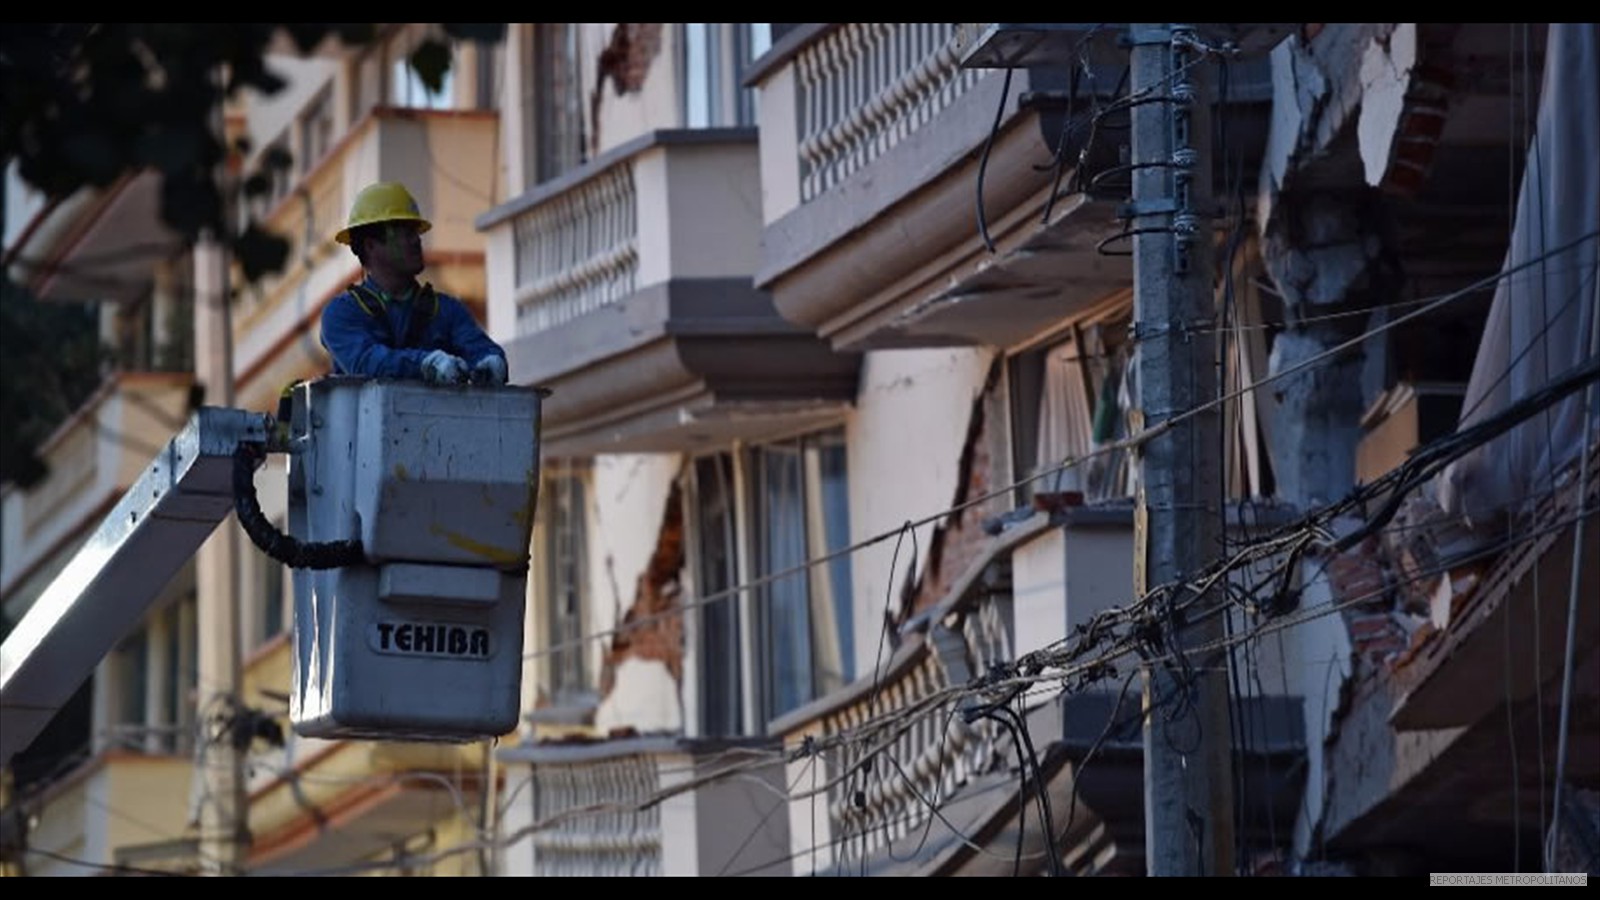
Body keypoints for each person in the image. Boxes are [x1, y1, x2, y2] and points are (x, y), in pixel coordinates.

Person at [320, 181, 508, 386]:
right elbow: (366, 363)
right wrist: (424, 364)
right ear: (371, 245)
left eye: (415, 233)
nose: (416, 241)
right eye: (404, 233)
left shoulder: (447, 310)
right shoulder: (343, 313)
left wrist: (491, 360)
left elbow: (477, 347)